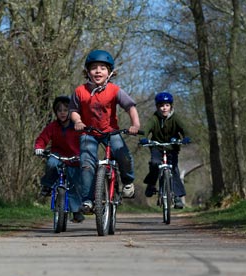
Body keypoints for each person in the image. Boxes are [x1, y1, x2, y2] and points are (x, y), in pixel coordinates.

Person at [69, 49, 141, 214]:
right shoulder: (80, 91)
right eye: (94, 68)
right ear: (88, 72)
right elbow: (74, 110)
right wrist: (78, 121)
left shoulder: (115, 90)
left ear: (109, 72)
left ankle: (128, 181)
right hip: (89, 133)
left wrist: (135, 124)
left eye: (102, 68)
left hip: (110, 132)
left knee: (121, 153)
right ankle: (88, 200)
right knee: (86, 164)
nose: (98, 71)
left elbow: (130, 107)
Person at [34, 96, 85, 222]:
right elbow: (42, 139)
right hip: (58, 156)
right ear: (56, 112)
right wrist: (39, 147)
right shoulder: (53, 126)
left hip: (74, 158)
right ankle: (47, 186)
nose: (62, 113)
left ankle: (76, 211)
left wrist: (85, 153)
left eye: (65, 110)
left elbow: (86, 140)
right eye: (59, 110)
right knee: (51, 163)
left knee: (74, 184)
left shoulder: (77, 126)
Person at [140, 92, 190, 209]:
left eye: (167, 105)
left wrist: (186, 137)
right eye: (161, 105)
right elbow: (147, 129)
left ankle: (177, 197)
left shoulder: (175, 118)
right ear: (157, 107)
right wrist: (143, 138)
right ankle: (151, 184)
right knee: (154, 163)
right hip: (157, 147)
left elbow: (184, 129)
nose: (164, 108)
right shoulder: (154, 118)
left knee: (174, 169)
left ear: (171, 106)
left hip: (172, 148)